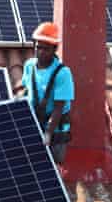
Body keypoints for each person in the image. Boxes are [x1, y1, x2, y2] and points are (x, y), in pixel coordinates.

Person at [16, 21, 74, 164]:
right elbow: (25, 88)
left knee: (52, 167)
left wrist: (48, 133)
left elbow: (59, 108)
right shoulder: (29, 65)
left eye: (46, 49)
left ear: (54, 49)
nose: (40, 52)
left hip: (56, 129)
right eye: (38, 47)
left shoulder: (63, 73)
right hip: (34, 123)